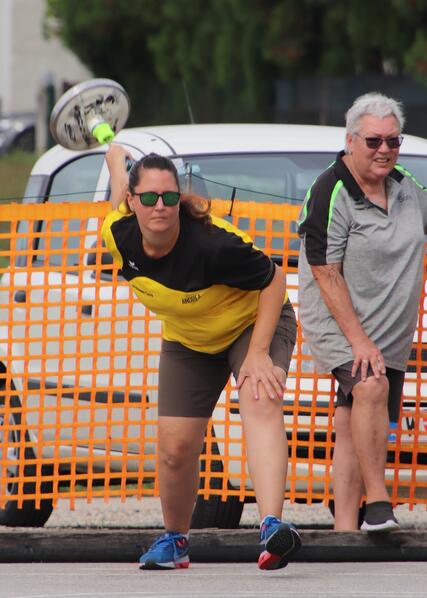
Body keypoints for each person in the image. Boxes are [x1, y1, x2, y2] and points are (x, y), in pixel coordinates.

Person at [102, 144, 301, 570]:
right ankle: (175, 541)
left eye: (169, 196)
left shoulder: (212, 244)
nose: (160, 206)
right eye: (149, 197)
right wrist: (115, 160)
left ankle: (272, 528)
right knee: (175, 447)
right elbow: (117, 194)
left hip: (252, 322)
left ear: (180, 199)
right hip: (189, 339)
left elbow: (275, 280)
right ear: (133, 202)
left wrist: (258, 354)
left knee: (260, 396)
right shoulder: (118, 233)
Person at [297, 92, 427, 532]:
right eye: (374, 141)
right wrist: (358, 341)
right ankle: (378, 505)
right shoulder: (329, 190)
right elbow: (324, 271)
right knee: (369, 387)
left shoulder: (406, 187)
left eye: (393, 140)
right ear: (350, 140)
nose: (384, 150)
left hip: (389, 325)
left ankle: (345, 530)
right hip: (338, 319)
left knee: (351, 416)